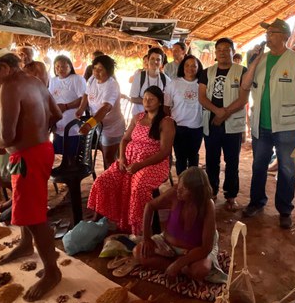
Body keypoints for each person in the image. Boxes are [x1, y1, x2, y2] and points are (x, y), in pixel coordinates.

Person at [0, 47, 62, 301]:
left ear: (4, 68)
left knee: (35, 217)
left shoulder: (10, 88)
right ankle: (26, 245)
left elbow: (8, 135)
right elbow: (56, 114)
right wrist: (36, 132)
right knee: (25, 204)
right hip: (41, 150)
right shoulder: (35, 82)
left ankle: (52, 271)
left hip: (28, 157)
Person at [242, 19, 295, 229]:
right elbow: (245, 85)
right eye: (267, 33)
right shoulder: (260, 59)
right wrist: (254, 60)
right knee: (258, 166)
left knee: (287, 169)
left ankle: (284, 210)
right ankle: (256, 202)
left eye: (272, 33)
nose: (267, 36)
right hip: (261, 126)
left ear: (284, 36)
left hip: (287, 127)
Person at [87, 86, 175, 234]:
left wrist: (140, 165)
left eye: (151, 99)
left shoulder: (166, 122)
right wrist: (121, 158)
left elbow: (165, 151)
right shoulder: (138, 118)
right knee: (103, 181)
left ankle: (140, 229)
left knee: (138, 187)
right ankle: (99, 218)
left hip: (154, 164)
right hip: (129, 162)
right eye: (145, 98)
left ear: (160, 102)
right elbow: (125, 139)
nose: (147, 101)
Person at [134, 167, 226, 282]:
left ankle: (177, 266)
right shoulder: (175, 193)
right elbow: (150, 206)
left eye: (184, 189)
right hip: (168, 244)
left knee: (201, 270)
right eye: (179, 185)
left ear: (195, 193)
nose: (179, 190)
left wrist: (179, 263)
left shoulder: (207, 205)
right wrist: (146, 238)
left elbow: (206, 247)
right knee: (138, 253)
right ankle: (181, 269)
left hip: (194, 251)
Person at [199, 38, 249, 211]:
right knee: (212, 160)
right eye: (218, 49)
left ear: (232, 51)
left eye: (226, 49)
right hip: (212, 122)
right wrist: (217, 111)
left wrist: (224, 113)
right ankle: (212, 192)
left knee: (232, 161)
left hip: (232, 124)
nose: (222, 52)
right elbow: (202, 97)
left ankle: (231, 195)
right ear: (215, 53)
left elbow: (243, 99)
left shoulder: (242, 71)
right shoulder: (207, 72)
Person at [76, 54, 126, 169]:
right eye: (94, 68)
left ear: (108, 71)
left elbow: (105, 108)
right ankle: (109, 182)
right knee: (106, 157)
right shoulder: (92, 79)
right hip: (98, 124)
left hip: (112, 127)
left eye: (100, 69)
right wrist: (81, 109)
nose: (96, 72)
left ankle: (113, 183)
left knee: (109, 158)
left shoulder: (112, 85)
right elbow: (86, 93)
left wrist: (89, 124)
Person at [166, 55, 204, 176]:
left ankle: (193, 186)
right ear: (183, 67)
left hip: (197, 127)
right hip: (179, 127)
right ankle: (181, 185)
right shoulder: (174, 84)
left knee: (193, 158)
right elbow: (166, 107)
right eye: (187, 65)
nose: (190, 68)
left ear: (198, 68)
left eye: (194, 66)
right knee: (180, 158)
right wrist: (170, 124)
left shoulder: (202, 84)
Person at [48, 55, 87, 157]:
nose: (60, 69)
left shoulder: (77, 79)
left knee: (72, 155)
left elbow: (83, 99)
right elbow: (49, 98)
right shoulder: (53, 80)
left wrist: (65, 106)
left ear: (70, 67)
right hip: (57, 125)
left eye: (64, 66)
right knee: (59, 155)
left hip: (72, 124)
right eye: (57, 66)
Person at [129, 47, 169, 116]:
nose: (155, 62)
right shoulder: (139, 76)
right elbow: (133, 98)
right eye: (152, 58)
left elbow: (168, 100)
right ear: (148, 60)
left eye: (158, 60)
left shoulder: (165, 79)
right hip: (139, 116)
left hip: (156, 117)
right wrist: (151, 103)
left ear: (162, 63)